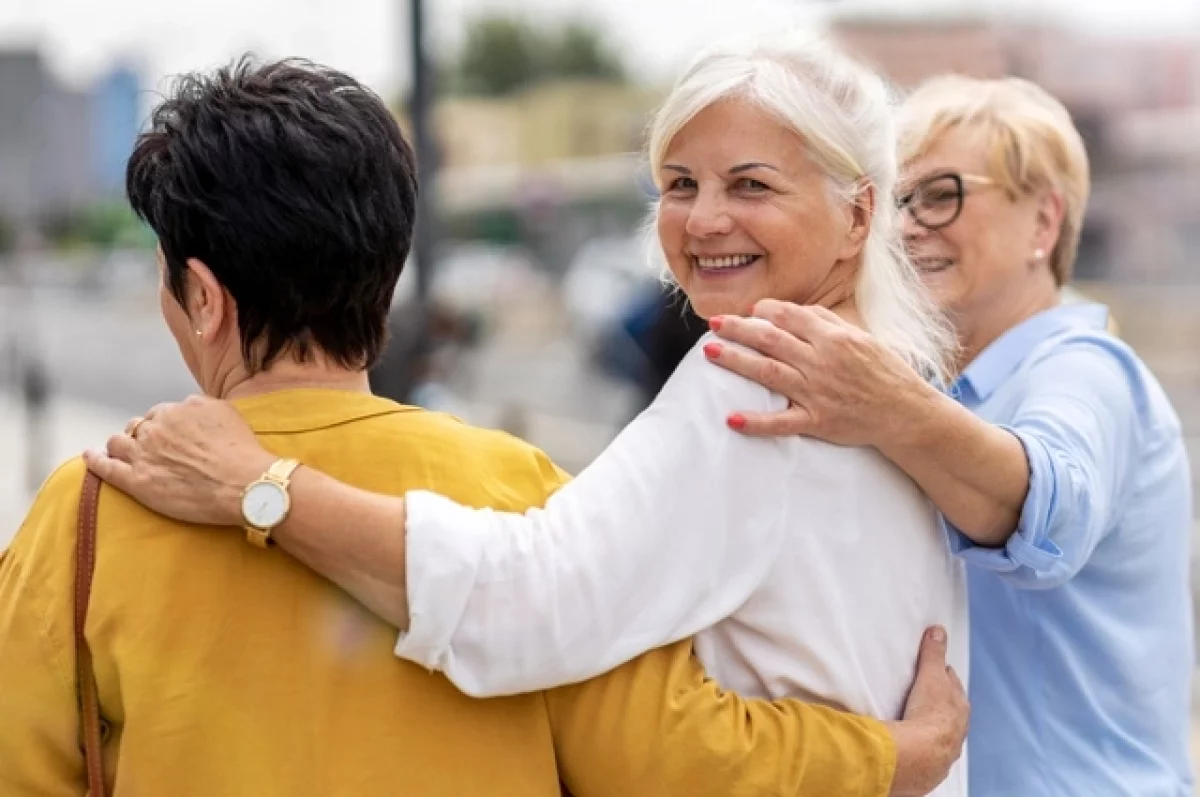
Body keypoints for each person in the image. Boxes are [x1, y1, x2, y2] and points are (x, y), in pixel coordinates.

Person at [0, 57, 965, 797]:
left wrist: (266, 490)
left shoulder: (89, 510)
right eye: (682, 185)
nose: (706, 218)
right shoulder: (522, 487)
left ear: (201, 296)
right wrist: (885, 754)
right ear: (388, 263)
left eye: (748, 186)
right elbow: (656, 753)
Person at [704, 76, 1195, 795]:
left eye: (942, 196)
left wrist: (885, 405)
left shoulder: (1086, 370)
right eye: (897, 201)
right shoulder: (947, 391)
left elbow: (1048, 504)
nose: (906, 227)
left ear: (1044, 223)